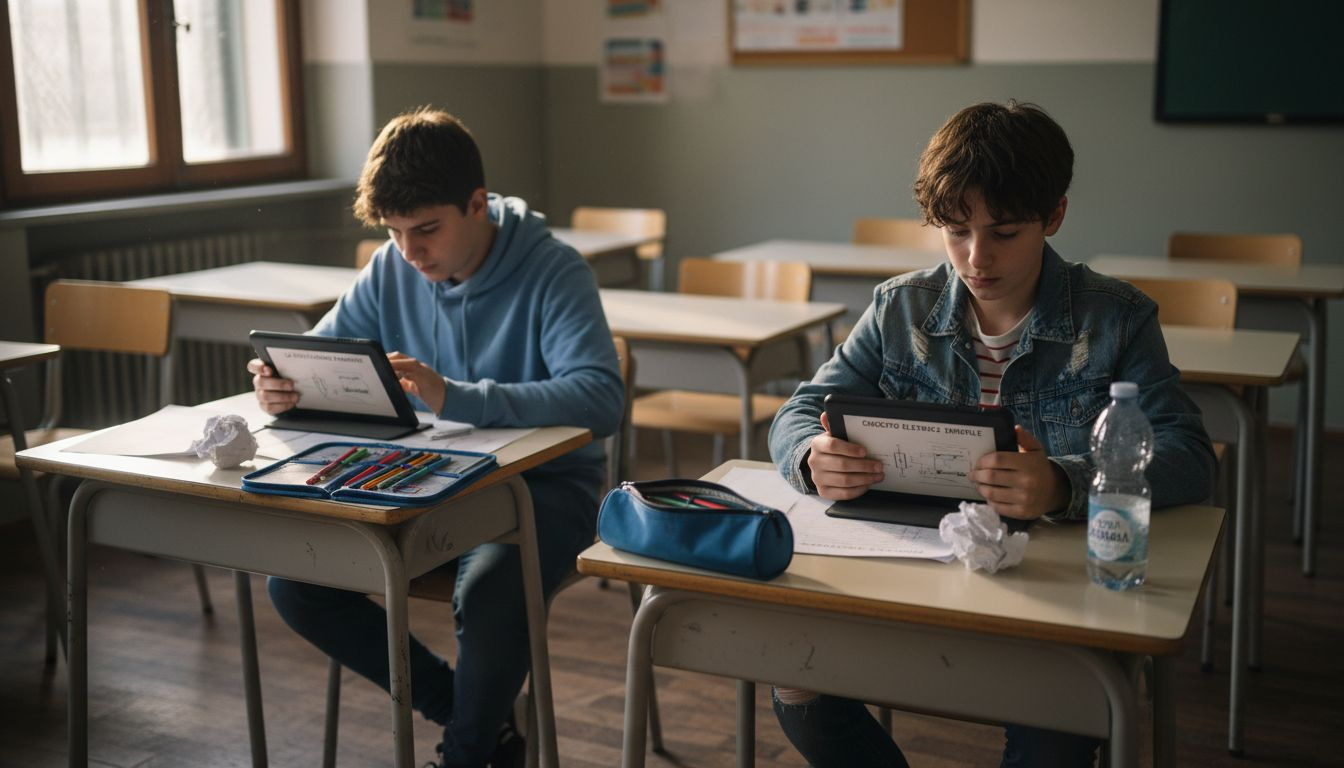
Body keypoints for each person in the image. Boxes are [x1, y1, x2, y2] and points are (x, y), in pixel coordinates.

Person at [767, 101, 1215, 767]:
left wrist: (1062, 480)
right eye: (956, 231)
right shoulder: (900, 308)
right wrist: (811, 456)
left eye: (1004, 232)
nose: (976, 258)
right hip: (913, 578)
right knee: (795, 679)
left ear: (1054, 216)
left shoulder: (1116, 320)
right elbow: (799, 411)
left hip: (1056, 595)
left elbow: (1189, 456)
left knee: (1059, 725)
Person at [248, 107, 624, 768]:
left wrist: (458, 396)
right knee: (296, 582)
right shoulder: (391, 269)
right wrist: (282, 381)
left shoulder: (554, 270)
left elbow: (600, 397)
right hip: (428, 481)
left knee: (489, 593)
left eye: (426, 229)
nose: (410, 253)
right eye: (394, 233)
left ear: (478, 204)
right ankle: (473, 717)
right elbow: (322, 353)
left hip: (541, 489)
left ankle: (467, 753)